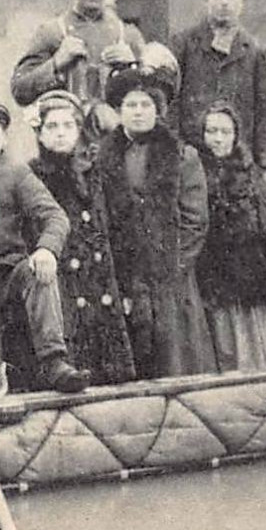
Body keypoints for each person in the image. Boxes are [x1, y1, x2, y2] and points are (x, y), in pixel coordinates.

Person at [0, 100, 90, 397]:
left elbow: (55, 217)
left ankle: (54, 361)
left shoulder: (16, 174)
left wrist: (46, 250)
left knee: (37, 274)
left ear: (4, 137)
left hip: (6, 275)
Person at [95, 62, 215, 379]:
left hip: (171, 276)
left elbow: (195, 221)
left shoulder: (182, 156)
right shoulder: (102, 157)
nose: (138, 112)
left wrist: (170, 266)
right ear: (119, 110)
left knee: (175, 360)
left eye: (145, 104)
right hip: (122, 272)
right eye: (130, 105)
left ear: (158, 110)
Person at [26, 90, 136, 386]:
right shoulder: (31, 176)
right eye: (52, 127)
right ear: (39, 133)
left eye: (68, 126)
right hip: (61, 282)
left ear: (78, 130)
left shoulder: (95, 173)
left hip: (100, 281)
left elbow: (118, 231)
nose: (60, 134)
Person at [10, 0, 148, 139]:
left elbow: (154, 99)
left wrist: (133, 66)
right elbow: (20, 91)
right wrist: (56, 63)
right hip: (66, 146)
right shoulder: (52, 32)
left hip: (116, 145)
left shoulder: (128, 35)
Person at [195, 100, 266, 371]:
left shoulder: (250, 173)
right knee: (221, 346)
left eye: (225, 132)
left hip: (249, 279)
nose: (218, 139)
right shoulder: (193, 169)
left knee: (254, 347)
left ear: (236, 135)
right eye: (211, 131)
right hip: (212, 278)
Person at [170, 0, 266, 185]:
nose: (224, 2)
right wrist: (175, 153)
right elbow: (172, 105)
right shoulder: (183, 44)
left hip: (239, 163)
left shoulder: (255, 51)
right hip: (193, 161)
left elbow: (265, 111)